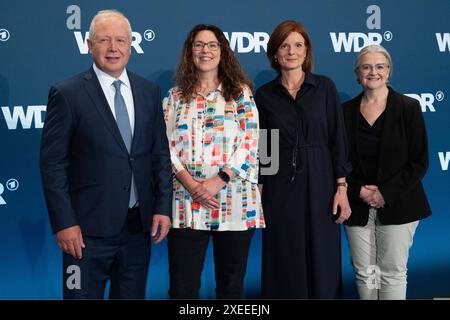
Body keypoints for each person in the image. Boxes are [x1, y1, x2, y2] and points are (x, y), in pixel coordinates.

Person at [40, 10, 172, 299]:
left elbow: (160, 154)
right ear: (89, 45)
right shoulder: (67, 93)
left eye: (121, 40)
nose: (114, 48)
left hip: (138, 229)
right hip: (84, 235)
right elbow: (53, 164)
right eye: (104, 40)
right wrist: (64, 223)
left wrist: (163, 206)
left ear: (130, 44)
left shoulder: (148, 91)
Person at [163, 24, 265, 299]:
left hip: (233, 202)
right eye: (198, 44)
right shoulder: (174, 98)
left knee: (231, 289)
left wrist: (218, 181)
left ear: (223, 52)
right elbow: (165, 146)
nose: (205, 50)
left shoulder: (241, 94)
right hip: (186, 203)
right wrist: (190, 183)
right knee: (182, 289)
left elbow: (251, 142)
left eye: (212, 45)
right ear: (190, 51)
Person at [254, 20, 352, 299]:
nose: (291, 51)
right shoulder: (265, 95)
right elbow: (267, 149)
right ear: (275, 53)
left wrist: (341, 187)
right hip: (281, 187)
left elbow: (337, 139)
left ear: (306, 51)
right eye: (284, 46)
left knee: (323, 256)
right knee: (285, 255)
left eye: (298, 45)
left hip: (322, 182)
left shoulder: (324, 88)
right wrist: (262, 191)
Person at [342, 44, 431, 300]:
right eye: (366, 67)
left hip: (400, 204)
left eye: (380, 66)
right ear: (357, 73)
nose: (373, 72)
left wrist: (385, 193)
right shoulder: (344, 112)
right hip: (356, 205)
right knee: (365, 272)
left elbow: (419, 161)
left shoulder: (408, 108)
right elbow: (337, 161)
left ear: (389, 72)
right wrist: (358, 189)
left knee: (392, 272)